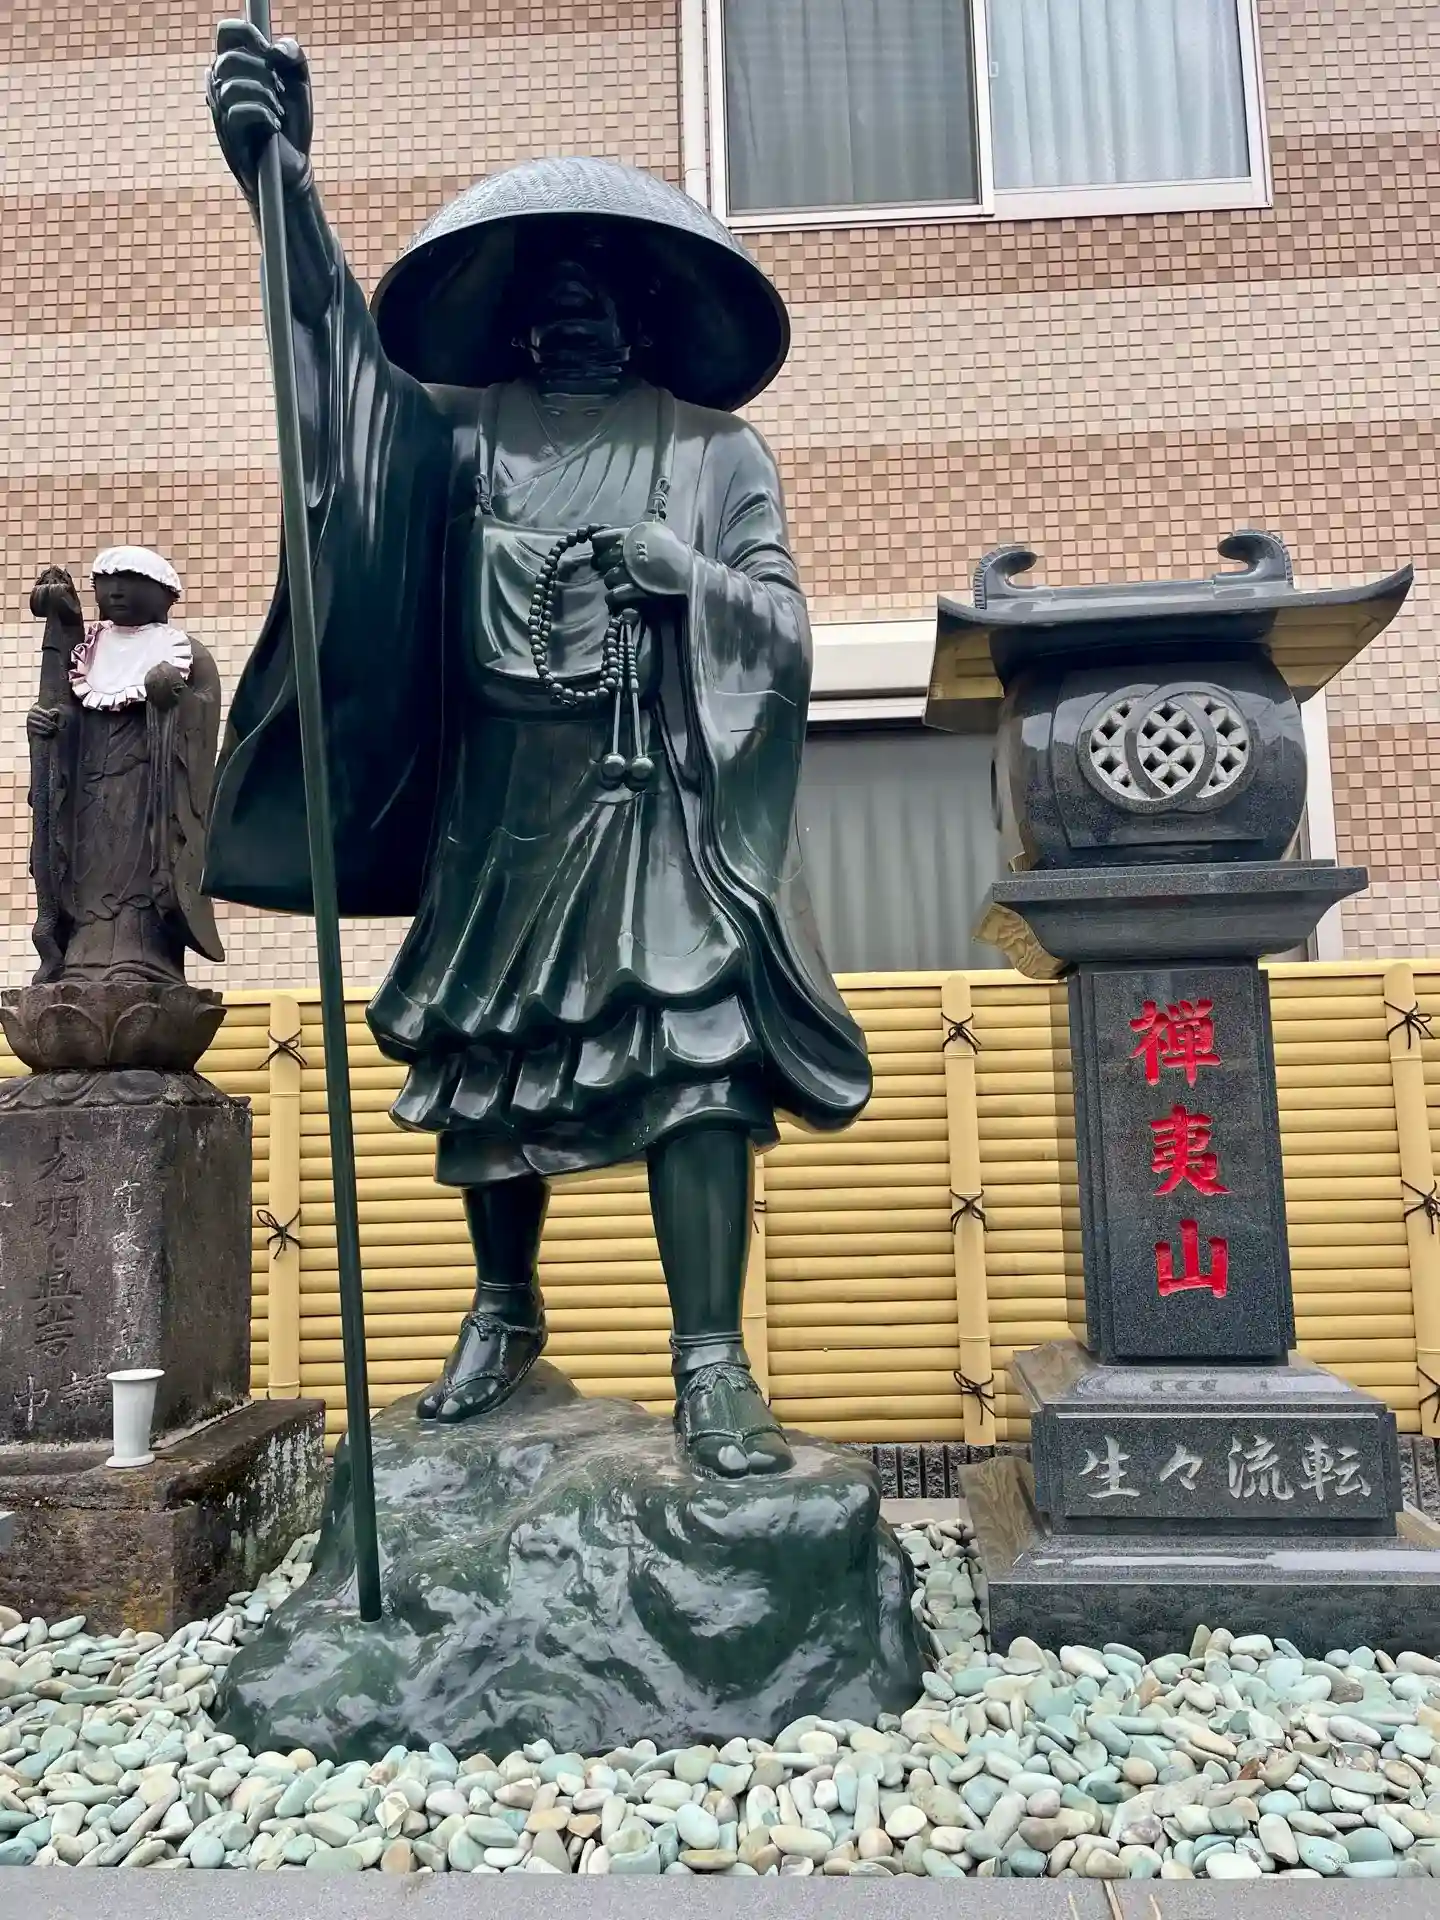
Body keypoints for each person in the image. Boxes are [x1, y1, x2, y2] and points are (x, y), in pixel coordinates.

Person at [204, 24, 871, 1477]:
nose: (574, 314)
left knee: (699, 1060)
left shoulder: (712, 451)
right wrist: (281, 185)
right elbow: (341, 397)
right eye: (548, 295)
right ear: (510, 319)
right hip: (499, 802)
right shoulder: (456, 438)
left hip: (656, 794)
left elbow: (782, 623)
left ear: (646, 318)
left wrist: (685, 576)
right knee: (490, 1069)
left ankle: (712, 1358)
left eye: (601, 294)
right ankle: (503, 1310)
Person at [26, 548, 223, 985]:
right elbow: (66, 714)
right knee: (88, 864)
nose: (116, 591)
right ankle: (80, 954)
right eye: (106, 582)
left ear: (164, 594)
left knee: (137, 867)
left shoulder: (184, 652)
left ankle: (143, 954)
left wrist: (174, 699)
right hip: (88, 786)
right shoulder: (88, 650)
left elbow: (203, 718)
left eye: (130, 582)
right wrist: (45, 725)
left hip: (148, 785)